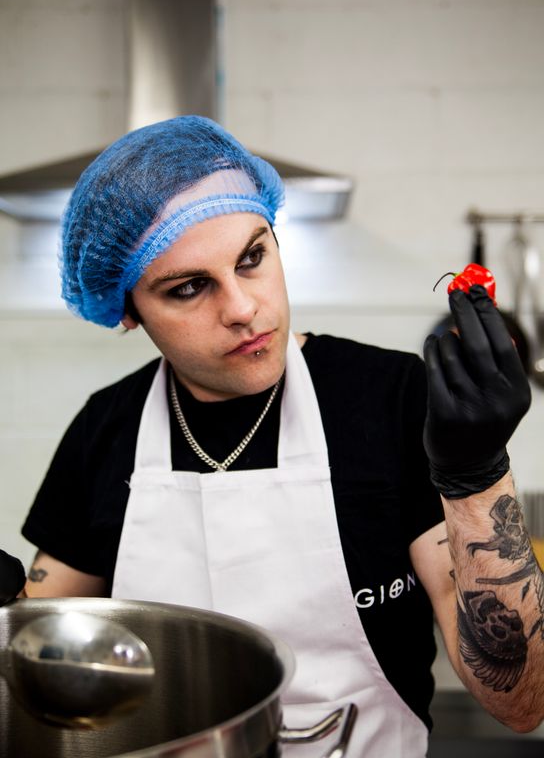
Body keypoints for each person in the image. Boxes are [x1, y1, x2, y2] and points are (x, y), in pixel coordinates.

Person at [15, 116, 542, 756]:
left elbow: (522, 701)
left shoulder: (390, 397)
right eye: (188, 287)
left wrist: (478, 476)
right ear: (128, 311)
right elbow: (34, 663)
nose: (242, 307)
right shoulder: (105, 429)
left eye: (252, 258)